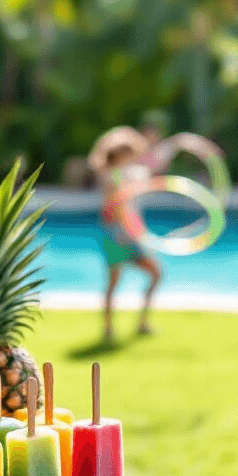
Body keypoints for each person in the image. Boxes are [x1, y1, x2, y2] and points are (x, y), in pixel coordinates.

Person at [89, 126, 162, 340]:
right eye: (129, 152)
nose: (134, 156)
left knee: (152, 275)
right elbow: (112, 211)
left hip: (126, 236)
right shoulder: (112, 177)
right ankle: (112, 327)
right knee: (116, 282)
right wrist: (136, 231)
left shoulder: (127, 174)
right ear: (121, 154)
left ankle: (137, 323)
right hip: (118, 237)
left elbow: (151, 167)